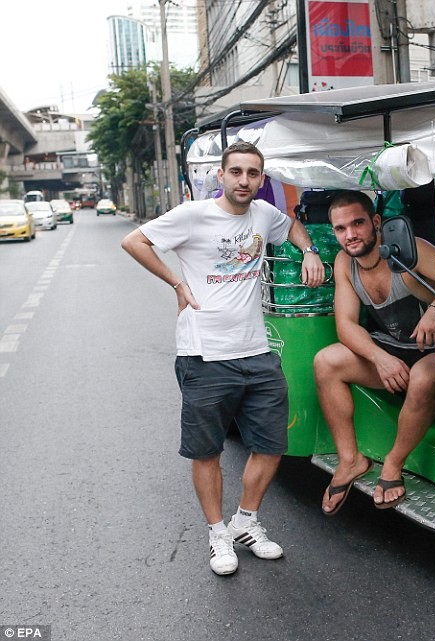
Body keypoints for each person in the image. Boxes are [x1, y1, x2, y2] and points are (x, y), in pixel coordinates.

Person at [121, 141, 325, 576]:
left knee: (271, 444)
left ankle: (245, 523)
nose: (244, 181)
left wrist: (309, 251)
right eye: (237, 172)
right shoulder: (194, 215)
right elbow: (134, 240)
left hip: (257, 352)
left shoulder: (264, 215)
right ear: (221, 174)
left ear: (261, 179)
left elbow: (291, 226)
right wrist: (176, 283)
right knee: (207, 450)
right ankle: (218, 534)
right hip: (204, 354)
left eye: (253, 173)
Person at [313, 191, 435, 514]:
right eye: (341, 229)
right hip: (394, 350)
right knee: (326, 362)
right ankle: (350, 460)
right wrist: (379, 358)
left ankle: (393, 466)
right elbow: (346, 325)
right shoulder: (345, 262)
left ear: (375, 222)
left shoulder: (411, 249)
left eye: (357, 223)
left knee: (423, 377)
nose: (350, 234)